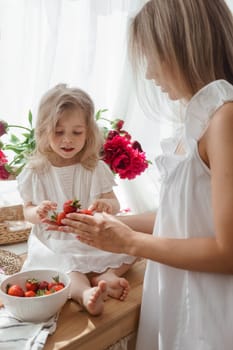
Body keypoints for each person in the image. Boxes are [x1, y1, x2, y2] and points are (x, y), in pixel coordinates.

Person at [50, 0, 233, 349]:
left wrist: (128, 242)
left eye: (151, 55)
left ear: (180, 45)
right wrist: (100, 221)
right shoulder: (200, 118)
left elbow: (229, 251)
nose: (149, 73)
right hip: (182, 299)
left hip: (211, 314)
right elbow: (184, 220)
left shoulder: (225, 118)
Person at [17, 84, 136, 316]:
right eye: (59, 132)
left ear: (88, 132)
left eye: (77, 132)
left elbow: (114, 203)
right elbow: (27, 211)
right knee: (61, 262)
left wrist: (107, 205)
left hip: (90, 235)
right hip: (53, 239)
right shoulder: (36, 171)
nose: (68, 140)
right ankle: (83, 293)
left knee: (129, 250)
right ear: (43, 131)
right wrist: (37, 212)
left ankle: (106, 275)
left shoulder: (94, 168)